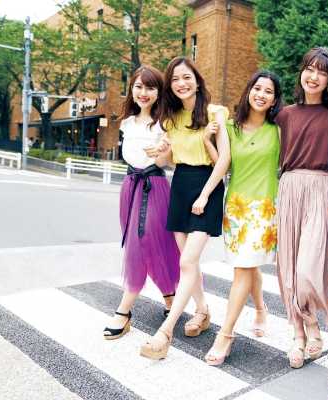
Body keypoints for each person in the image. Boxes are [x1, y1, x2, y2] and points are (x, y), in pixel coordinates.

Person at [140, 57, 230, 360]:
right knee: (187, 262)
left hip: (207, 186)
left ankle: (165, 331)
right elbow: (166, 162)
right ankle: (202, 311)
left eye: (186, 77)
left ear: (197, 80)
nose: (181, 83)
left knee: (188, 260)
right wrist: (162, 152)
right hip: (180, 185)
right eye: (175, 79)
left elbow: (224, 161)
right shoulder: (171, 118)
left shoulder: (216, 113)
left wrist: (204, 196)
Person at [204, 71, 283, 366]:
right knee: (247, 266)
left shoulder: (278, 130)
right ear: (248, 90)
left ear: (275, 99)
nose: (261, 95)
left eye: (268, 91)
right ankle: (261, 309)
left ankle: (225, 334)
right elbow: (223, 164)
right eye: (257, 88)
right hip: (236, 208)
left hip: (264, 209)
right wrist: (207, 141)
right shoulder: (229, 126)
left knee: (243, 269)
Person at [275, 47, 328, 369]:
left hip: (323, 188)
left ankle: (313, 324)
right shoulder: (284, 115)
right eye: (309, 69)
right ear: (301, 72)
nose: (313, 77)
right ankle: (299, 334)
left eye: (322, 72)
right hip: (290, 188)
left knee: (308, 268)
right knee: (288, 268)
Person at [103, 65, 180, 340]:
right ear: (132, 89)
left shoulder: (165, 123)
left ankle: (123, 312)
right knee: (151, 245)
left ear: (159, 92)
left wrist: (163, 151)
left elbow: (168, 162)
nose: (143, 92)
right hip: (130, 186)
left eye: (150, 87)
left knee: (142, 243)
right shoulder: (127, 123)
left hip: (154, 186)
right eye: (138, 86)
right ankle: (171, 297)